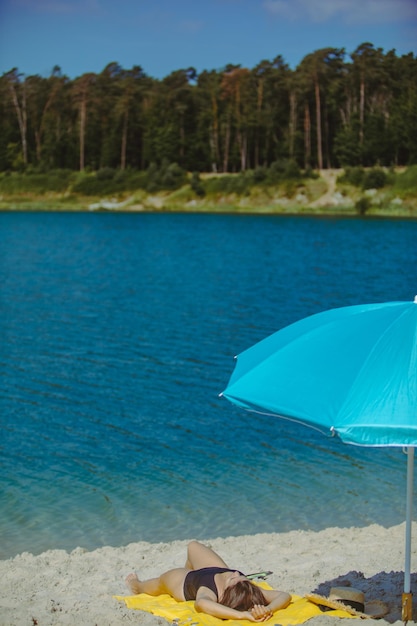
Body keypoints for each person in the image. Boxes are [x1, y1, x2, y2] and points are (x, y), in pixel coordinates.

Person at [126, 540, 291, 621]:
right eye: (240, 576)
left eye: (233, 578)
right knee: (193, 546)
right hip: (213, 569)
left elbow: (202, 604)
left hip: (185, 581)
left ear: (228, 591)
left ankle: (136, 585)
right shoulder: (245, 587)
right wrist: (269, 609)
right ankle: (190, 565)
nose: (235, 573)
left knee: (155, 585)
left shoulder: (209, 591)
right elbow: (284, 596)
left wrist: (243, 616)